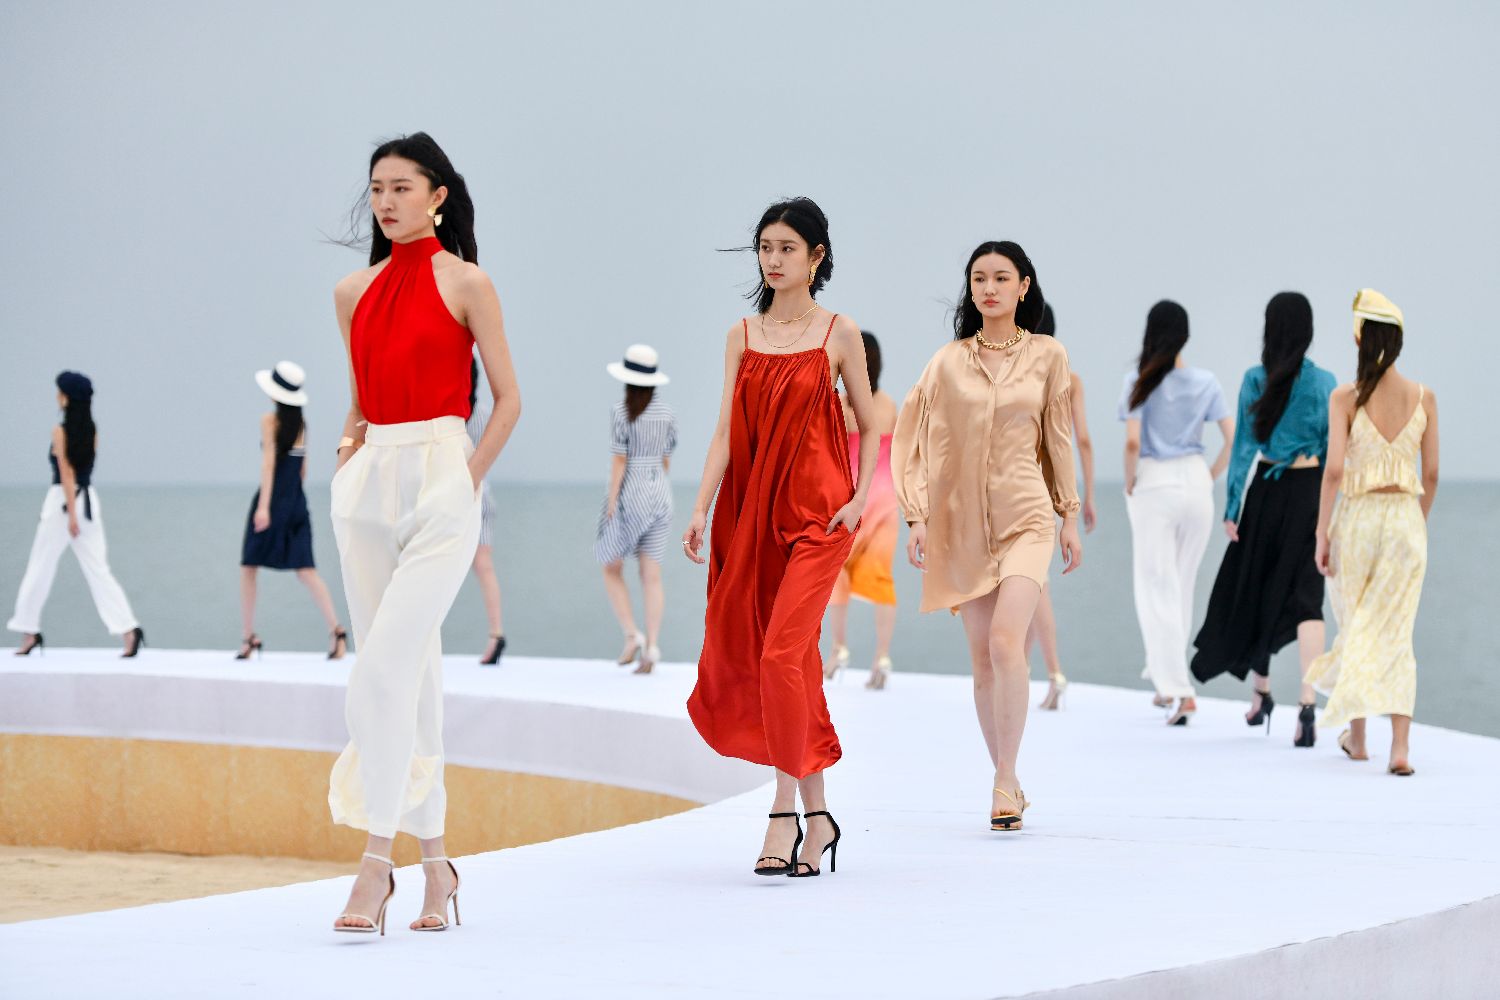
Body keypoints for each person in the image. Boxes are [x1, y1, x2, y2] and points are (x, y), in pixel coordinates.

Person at [328, 133, 520, 935]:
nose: (386, 200)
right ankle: (437, 866)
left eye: (402, 187)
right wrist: (347, 457)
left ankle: (376, 863)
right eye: (377, 188)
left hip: (443, 472)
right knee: (414, 675)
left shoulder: (467, 282)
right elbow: (360, 398)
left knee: (381, 668)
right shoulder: (352, 291)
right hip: (368, 481)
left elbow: (508, 399)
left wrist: (465, 478)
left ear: (438, 195)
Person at [683, 197, 876, 878]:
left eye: (787, 247)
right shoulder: (742, 335)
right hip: (753, 515)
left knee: (780, 654)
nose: (773, 259)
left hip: (820, 519)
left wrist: (859, 498)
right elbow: (723, 432)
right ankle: (818, 817)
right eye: (766, 247)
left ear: (816, 256)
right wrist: (700, 508)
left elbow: (871, 419)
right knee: (790, 660)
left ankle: (782, 811)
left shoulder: (839, 333)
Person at [893, 240, 1082, 832]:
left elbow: (1058, 439)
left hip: (1028, 517)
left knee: (1006, 641)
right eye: (979, 278)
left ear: (1024, 286)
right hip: (962, 526)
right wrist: (916, 515)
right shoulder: (947, 362)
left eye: (1002, 278)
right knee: (981, 658)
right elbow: (912, 436)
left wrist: (1069, 513)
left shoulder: (1048, 355)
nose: (990, 288)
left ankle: (1004, 777)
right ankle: (1009, 778)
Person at [1191, 292, 1335, 746]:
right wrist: (1335, 514)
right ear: (1308, 331)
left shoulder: (1256, 379)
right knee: (1309, 599)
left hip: (1267, 494)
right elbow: (1334, 452)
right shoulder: (1326, 383)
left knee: (1259, 585)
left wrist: (1233, 507)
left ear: (1269, 329)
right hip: (1311, 492)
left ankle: (1262, 695)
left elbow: (1243, 450)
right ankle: (1307, 706)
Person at [1307, 290, 1438, 776]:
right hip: (1405, 518)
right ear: (1399, 340)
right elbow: (1432, 474)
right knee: (1398, 632)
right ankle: (1399, 748)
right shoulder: (1424, 397)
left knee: (1354, 622)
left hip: (1358, 520)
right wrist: (1416, 521)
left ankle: (1358, 738)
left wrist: (1322, 532)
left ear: (1359, 338)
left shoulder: (1345, 397)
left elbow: (1334, 472)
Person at [1119, 302, 1233, 726]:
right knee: (1181, 586)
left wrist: (1130, 480)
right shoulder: (1206, 381)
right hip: (1196, 484)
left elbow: (1132, 444)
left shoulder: (1138, 380)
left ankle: (1179, 691)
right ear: (1185, 336)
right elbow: (1233, 437)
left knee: (1155, 589)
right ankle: (1167, 679)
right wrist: (1209, 475)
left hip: (1155, 484)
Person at [8, 371, 145, 658]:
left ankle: (29, 631)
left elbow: (67, 474)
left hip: (63, 502)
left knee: (40, 566)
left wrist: (71, 515)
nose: (57, 396)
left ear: (67, 397)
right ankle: (128, 629)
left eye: (59, 392)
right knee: (98, 568)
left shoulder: (60, 431)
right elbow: (82, 470)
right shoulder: (92, 430)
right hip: (89, 501)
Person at [237, 361, 347, 660]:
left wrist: (264, 508)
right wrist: (291, 500)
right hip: (296, 501)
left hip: (272, 501)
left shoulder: (269, 422)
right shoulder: (302, 425)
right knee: (307, 570)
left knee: (249, 568)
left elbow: (268, 465)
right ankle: (337, 631)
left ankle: (248, 637)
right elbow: (302, 470)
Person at [1027, 304, 1096, 710]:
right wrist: (1085, 498)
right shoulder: (1070, 377)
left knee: (1033, 584)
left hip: (1023, 483)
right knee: (1032, 582)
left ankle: (1054, 674)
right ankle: (1025, 672)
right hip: (1054, 486)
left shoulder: (1019, 370)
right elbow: (1081, 440)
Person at [823, 330, 900, 690]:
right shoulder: (889, 405)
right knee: (882, 580)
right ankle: (882, 657)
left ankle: (838, 649)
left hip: (848, 499)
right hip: (884, 500)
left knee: (836, 574)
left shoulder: (841, 406)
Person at [597, 344, 676, 674]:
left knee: (610, 565)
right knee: (651, 575)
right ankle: (652, 646)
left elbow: (619, 460)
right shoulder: (667, 413)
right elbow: (666, 459)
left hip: (631, 492)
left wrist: (612, 501)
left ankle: (632, 634)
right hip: (661, 493)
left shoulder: (621, 411)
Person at [464, 354, 507, 665]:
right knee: (485, 567)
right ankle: (496, 633)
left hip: (458, 498)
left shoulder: (451, 420)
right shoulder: (484, 415)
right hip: (484, 493)